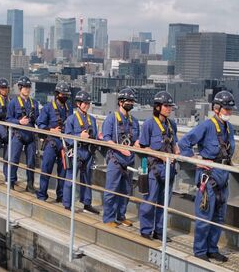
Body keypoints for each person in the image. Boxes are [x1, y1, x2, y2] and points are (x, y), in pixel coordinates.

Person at [178, 90, 236, 262]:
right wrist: (195, 160)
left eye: (230, 110)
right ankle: (200, 250)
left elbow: (227, 151)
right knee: (204, 216)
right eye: (226, 109)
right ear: (216, 108)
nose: (229, 113)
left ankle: (212, 248)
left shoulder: (229, 128)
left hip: (223, 177)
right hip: (209, 177)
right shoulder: (207, 126)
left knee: (218, 217)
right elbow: (184, 142)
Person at [138, 91, 179, 241]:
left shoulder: (171, 125)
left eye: (170, 106)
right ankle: (146, 230)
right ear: (158, 107)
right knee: (150, 201)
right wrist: (159, 155)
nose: (169, 109)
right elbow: (143, 147)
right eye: (166, 106)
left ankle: (159, 231)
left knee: (164, 203)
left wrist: (176, 151)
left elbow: (174, 143)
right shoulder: (149, 124)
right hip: (155, 168)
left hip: (169, 169)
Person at [102, 87, 140, 227]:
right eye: (127, 101)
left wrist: (137, 143)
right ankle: (108, 218)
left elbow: (137, 138)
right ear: (120, 102)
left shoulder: (134, 121)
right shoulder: (111, 119)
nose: (130, 103)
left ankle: (121, 215)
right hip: (115, 160)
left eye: (132, 101)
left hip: (129, 161)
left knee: (125, 190)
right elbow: (106, 139)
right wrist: (120, 149)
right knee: (111, 190)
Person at [62, 90, 99, 214]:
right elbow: (67, 136)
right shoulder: (71, 119)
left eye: (88, 103)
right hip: (76, 152)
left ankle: (87, 204)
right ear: (78, 104)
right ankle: (67, 204)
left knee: (87, 179)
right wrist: (79, 136)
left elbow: (95, 137)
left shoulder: (92, 120)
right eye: (84, 103)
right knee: (70, 178)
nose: (86, 105)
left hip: (88, 152)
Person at [36, 82, 73, 202]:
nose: (65, 97)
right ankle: (42, 194)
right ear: (57, 94)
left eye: (67, 95)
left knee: (63, 171)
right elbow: (40, 123)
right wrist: (51, 130)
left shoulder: (69, 109)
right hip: (51, 142)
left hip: (64, 144)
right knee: (46, 168)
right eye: (63, 94)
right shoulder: (48, 108)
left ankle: (61, 196)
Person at [6, 76, 39, 193]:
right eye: (25, 87)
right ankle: (10, 182)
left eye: (28, 87)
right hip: (18, 135)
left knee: (31, 162)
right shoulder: (13, 103)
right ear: (20, 88)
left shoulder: (34, 103)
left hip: (30, 135)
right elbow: (8, 119)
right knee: (14, 159)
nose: (27, 89)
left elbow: (38, 120)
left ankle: (30, 185)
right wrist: (19, 122)